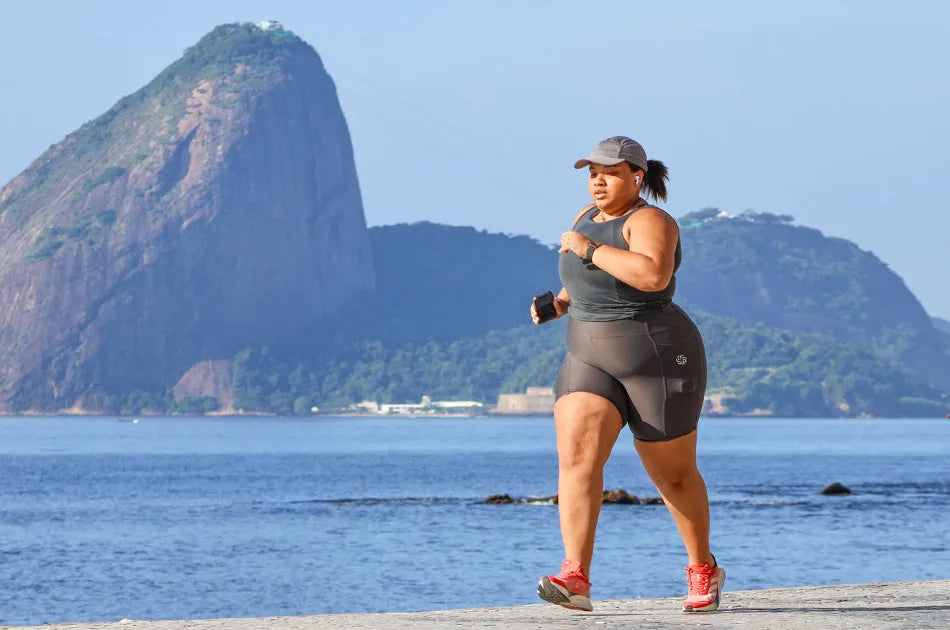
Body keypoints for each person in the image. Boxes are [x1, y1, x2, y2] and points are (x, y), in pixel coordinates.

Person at [530, 136, 724, 613]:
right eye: (592, 172)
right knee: (576, 459)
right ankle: (575, 576)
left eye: (610, 172)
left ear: (637, 176)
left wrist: (589, 250)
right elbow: (581, 279)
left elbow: (652, 275)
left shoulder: (650, 220)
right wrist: (559, 304)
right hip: (588, 355)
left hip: (657, 358)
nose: (598, 180)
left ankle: (703, 569)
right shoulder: (585, 218)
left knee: (672, 474)